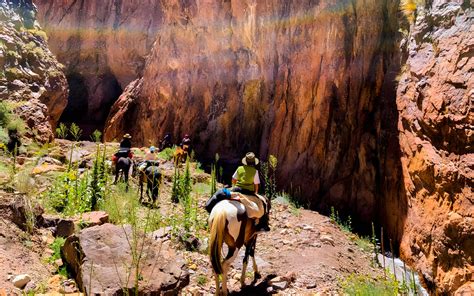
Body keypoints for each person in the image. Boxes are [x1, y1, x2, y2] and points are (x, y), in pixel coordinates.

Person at [231, 152, 270, 232]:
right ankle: (262, 225)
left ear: (245, 161)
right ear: (253, 162)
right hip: (248, 191)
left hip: (236, 189)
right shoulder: (254, 171)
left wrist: (234, 187)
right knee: (264, 203)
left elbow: (233, 179)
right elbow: (256, 184)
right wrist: (255, 192)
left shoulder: (239, 168)